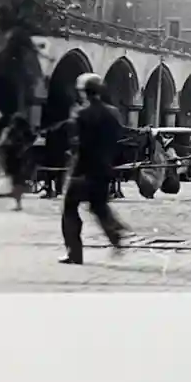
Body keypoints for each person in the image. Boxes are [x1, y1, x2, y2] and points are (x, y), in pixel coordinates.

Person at [59, 74, 126, 265]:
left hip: (82, 170)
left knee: (69, 209)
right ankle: (114, 234)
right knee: (99, 207)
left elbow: (76, 144)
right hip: (103, 169)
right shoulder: (113, 113)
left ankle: (74, 253)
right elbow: (117, 141)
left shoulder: (81, 113)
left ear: (83, 91)